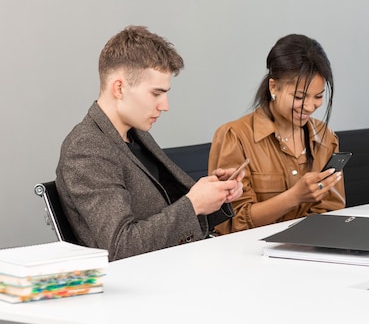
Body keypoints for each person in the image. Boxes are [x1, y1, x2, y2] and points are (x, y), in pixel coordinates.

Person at [55, 26, 244, 261]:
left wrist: (214, 194)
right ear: (119, 88)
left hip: (175, 265)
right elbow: (121, 246)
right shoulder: (86, 149)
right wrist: (193, 204)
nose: (165, 105)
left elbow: (171, 211)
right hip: (144, 283)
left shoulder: (135, 135)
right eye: (156, 94)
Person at [208, 34, 345, 234]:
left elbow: (332, 211)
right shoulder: (235, 136)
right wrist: (295, 196)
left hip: (311, 250)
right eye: (299, 97)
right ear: (274, 87)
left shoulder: (325, 137)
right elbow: (232, 224)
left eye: (318, 97)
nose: (309, 106)